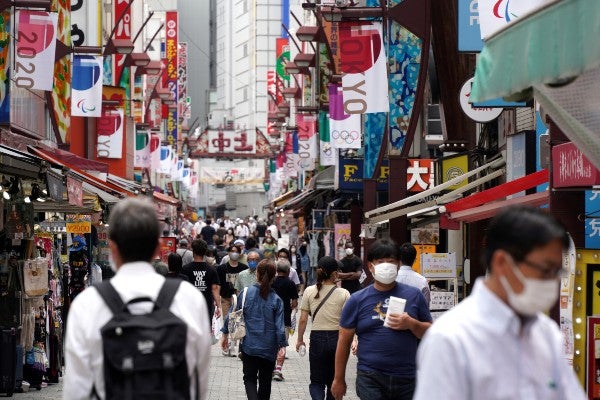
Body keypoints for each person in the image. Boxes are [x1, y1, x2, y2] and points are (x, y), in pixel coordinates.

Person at [413, 207, 586, 400]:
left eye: (557, 273)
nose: (553, 282)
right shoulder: (451, 339)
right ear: (502, 263)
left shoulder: (547, 335)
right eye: (546, 270)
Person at [63, 198, 211, 399]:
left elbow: (76, 390)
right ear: (158, 248)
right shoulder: (189, 298)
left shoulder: (87, 304)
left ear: (113, 248)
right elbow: (197, 383)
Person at [332, 238, 432, 400]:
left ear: (398, 264)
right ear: (370, 266)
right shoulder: (357, 300)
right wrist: (338, 379)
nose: (386, 265)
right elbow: (344, 341)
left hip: (407, 377)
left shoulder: (414, 296)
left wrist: (412, 324)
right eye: (380, 261)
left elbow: (430, 333)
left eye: (390, 261)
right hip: (370, 376)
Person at [221, 260, 287, 400]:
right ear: (273, 276)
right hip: (269, 348)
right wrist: (282, 346)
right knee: (265, 382)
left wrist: (224, 334)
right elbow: (280, 328)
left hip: (249, 346)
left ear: (257, 274)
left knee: (249, 379)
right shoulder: (276, 300)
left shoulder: (245, 293)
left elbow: (232, 314)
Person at [297, 256, 350, 400]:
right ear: (334, 274)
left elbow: (302, 320)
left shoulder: (308, 291)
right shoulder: (344, 293)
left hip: (317, 338)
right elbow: (348, 322)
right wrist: (354, 340)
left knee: (317, 382)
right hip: (337, 339)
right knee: (334, 380)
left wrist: (300, 340)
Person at [271, 259, 299, 382]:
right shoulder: (291, 284)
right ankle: (278, 370)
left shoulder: (271, 282)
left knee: (271, 344)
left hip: (271, 317)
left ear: (276, 270)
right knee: (282, 343)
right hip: (285, 318)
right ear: (288, 271)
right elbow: (294, 303)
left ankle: (270, 369)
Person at [182, 238, 221, 325]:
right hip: (206, 305)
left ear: (193, 251)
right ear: (204, 252)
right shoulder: (211, 269)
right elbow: (214, 289)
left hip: (189, 305)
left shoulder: (185, 269)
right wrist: (219, 306)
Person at [216, 245, 249, 320]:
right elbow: (218, 285)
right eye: (232, 251)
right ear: (228, 253)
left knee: (238, 321)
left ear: (240, 254)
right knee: (226, 320)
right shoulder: (221, 268)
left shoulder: (244, 268)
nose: (234, 253)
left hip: (240, 299)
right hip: (225, 298)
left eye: (237, 252)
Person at [396, 242, 430, 307]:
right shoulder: (422, 281)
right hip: (415, 316)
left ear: (399, 259)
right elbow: (426, 307)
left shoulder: (391, 278)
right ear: (414, 260)